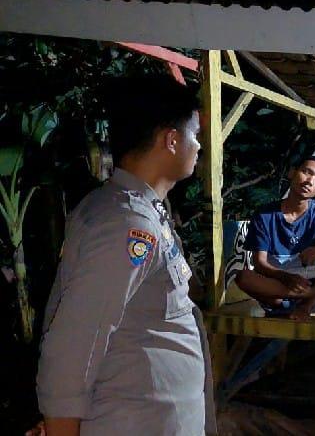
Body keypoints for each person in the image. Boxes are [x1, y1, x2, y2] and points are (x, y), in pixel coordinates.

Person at [36, 75, 215, 435]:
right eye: (195, 135)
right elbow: (75, 343)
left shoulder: (136, 211)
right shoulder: (127, 224)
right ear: (171, 140)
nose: (199, 146)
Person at [234, 156, 315, 320]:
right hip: (281, 288)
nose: (310, 181)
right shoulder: (265, 215)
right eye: (306, 172)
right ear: (292, 173)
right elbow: (260, 264)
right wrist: (285, 277)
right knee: (243, 277)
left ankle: (309, 303)